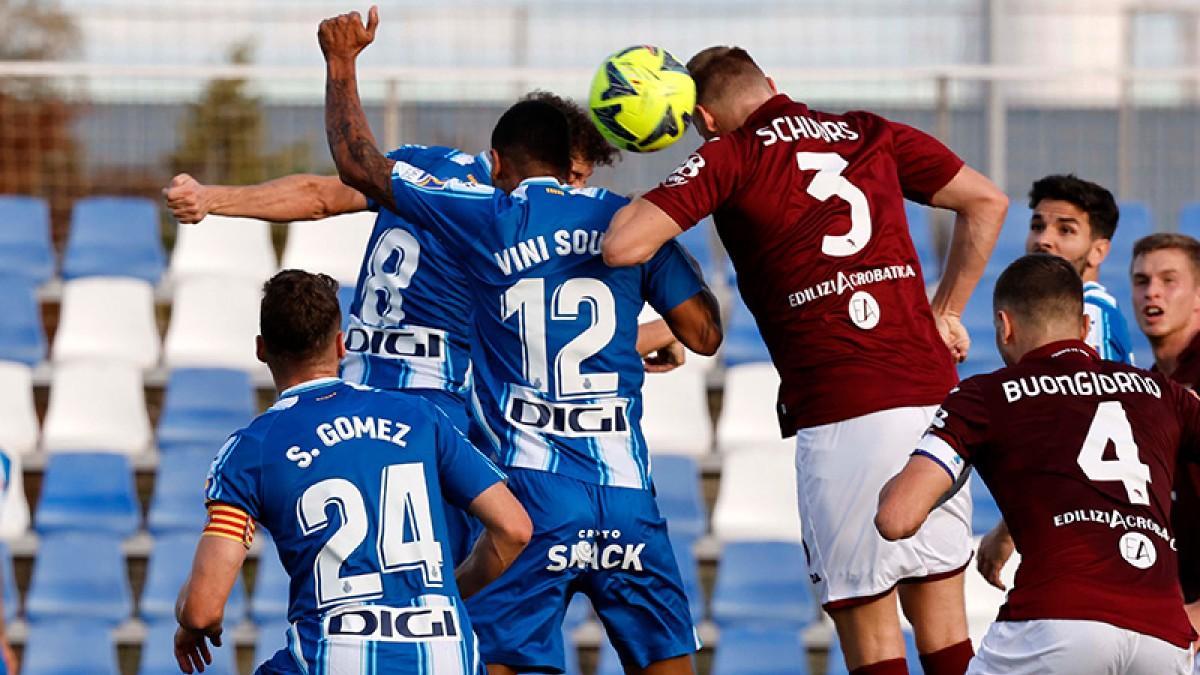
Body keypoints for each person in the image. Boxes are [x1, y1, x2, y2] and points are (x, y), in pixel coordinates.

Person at [318, 9, 722, 674]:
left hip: (534, 498)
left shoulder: (489, 217)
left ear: (499, 162)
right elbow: (704, 334)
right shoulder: (632, 220)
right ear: (578, 161)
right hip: (627, 496)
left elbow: (360, 165)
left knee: (503, 659)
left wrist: (341, 64)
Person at [602, 46, 1008, 674]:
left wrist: (642, 196)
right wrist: (946, 310)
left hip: (845, 410)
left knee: (873, 641)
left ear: (704, 119)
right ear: (770, 83)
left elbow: (624, 245)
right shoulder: (869, 132)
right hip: (932, 404)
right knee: (946, 631)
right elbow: (987, 201)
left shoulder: (730, 154)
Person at [161, 90, 683, 565]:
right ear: (539, 162)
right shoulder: (505, 225)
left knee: (351, 569)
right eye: (572, 178)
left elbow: (320, 195)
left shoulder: (417, 168)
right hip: (434, 412)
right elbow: (549, 346)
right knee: (447, 568)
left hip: (354, 394)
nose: (574, 192)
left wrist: (213, 198)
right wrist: (667, 331)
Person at [173, 269, 531, 675]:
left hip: (334, 654)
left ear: (261, 348)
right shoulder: (420, 417)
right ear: (342, 345)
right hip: (446, 654)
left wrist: (186, 616)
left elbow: (204, 611)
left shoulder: (249, 449)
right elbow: (514, 529)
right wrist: (451, 594)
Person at [876, 253, 1197, 674]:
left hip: (1058, 622)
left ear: (1004, 327)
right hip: (1163, 634)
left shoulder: (984, 396)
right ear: (1084, 328)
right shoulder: (1163, 392)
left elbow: (896, 518)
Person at [1024, 174, 1132, 363]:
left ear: (1098, 251)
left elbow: (1096, 392)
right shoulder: (1053, 311)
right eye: (1037, 226)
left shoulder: (1091, 312)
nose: (1042, 240)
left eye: (1065, 230)